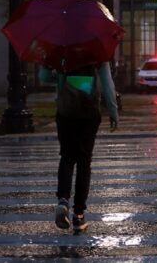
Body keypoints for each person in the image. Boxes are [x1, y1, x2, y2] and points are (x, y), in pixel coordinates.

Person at [39, 61, 119, 233]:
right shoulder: (97, 52)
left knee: (67, 157)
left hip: (66, 111)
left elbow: (43, 78)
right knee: (84, 161)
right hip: (89, 113)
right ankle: (79, 214)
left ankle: (63, 201)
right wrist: (113, 111)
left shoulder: (62, 51)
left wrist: (50, 68)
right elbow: (107, 84)